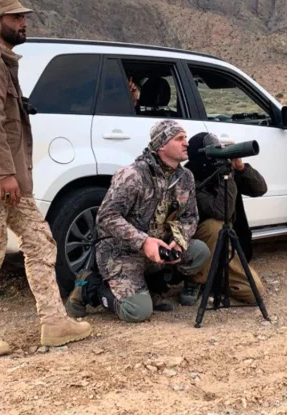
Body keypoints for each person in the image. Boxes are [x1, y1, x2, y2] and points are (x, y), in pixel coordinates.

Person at [0, 0, 92, 358]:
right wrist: (2, 174)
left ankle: (55, 322)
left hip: (11, 181)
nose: (24, 23)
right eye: (16, 17)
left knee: (41, 244)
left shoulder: (0, 59)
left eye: (24, 17)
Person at [65, 120, 211, 322]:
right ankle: (91, 287)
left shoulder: (185, 177)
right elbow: (106, 216)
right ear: (161, 145)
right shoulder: (133, 175)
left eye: (185, 138)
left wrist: (179, 241)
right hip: (122, 251)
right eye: (179, 139)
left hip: (158, 249)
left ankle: (152, 285)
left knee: (199, 252)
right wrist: (143, 242)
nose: (186, 143)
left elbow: (190, 216)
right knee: (136, 311)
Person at [179, 132, 268, 306]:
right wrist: (226, 178)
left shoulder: (225, 172)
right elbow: (221, 211)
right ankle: (195, 279)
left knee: (253, 292)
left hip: (227, 246)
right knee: (216, 225)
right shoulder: (190, 178)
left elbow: (260, 189)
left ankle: (215, 279)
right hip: (200, 245)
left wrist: (240, 168)